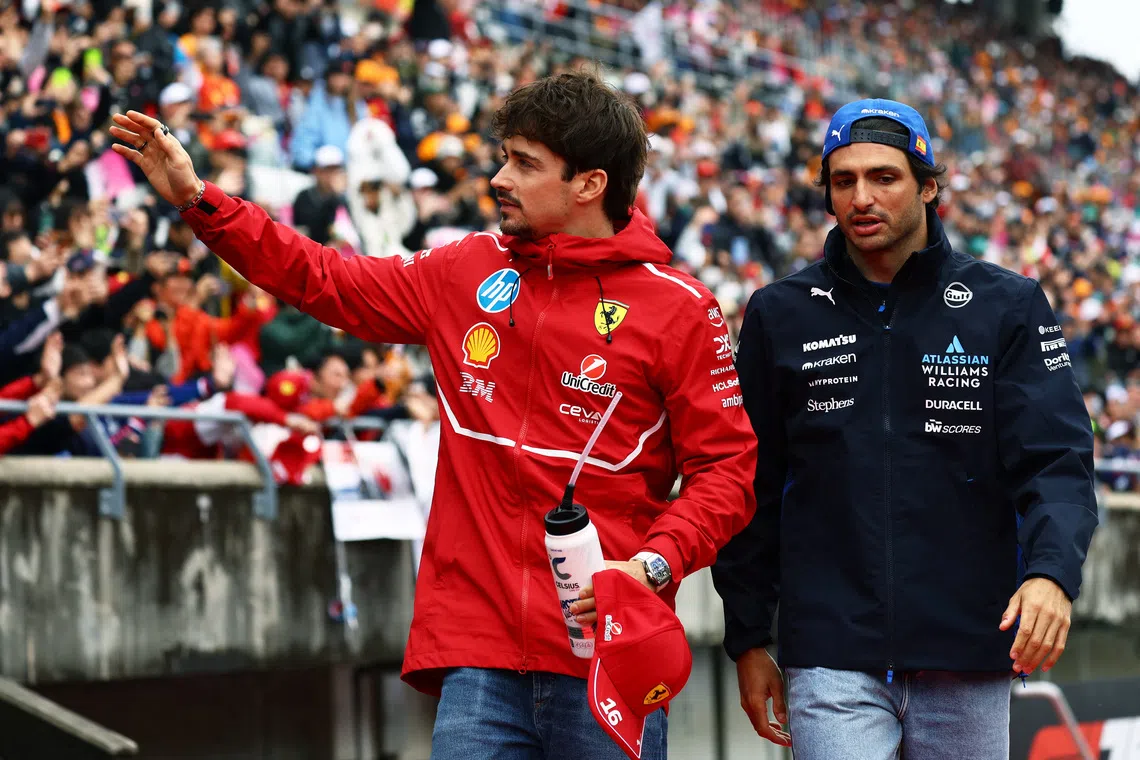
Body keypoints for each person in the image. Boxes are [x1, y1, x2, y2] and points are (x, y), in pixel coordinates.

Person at [108, 68, 758, 760]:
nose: (500, 178)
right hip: (479, 657)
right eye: (504, 156)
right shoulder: (465, 271)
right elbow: (326, 280)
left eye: (525, 163)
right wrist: (198, 200)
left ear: (589, 184)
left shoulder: (679, 307)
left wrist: (653, 567)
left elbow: (727, 471)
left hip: (607, 657)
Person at [711, 98, 1099, 760]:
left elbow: (1056, 459)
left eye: (884, 177)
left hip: (968, 648)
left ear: (928, 185)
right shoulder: (781, 314)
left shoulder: (1007, 305)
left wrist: (1052, 573)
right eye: (844, 181)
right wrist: (748, 638)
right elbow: (750, 483)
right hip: (831, 655)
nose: (862, 197)